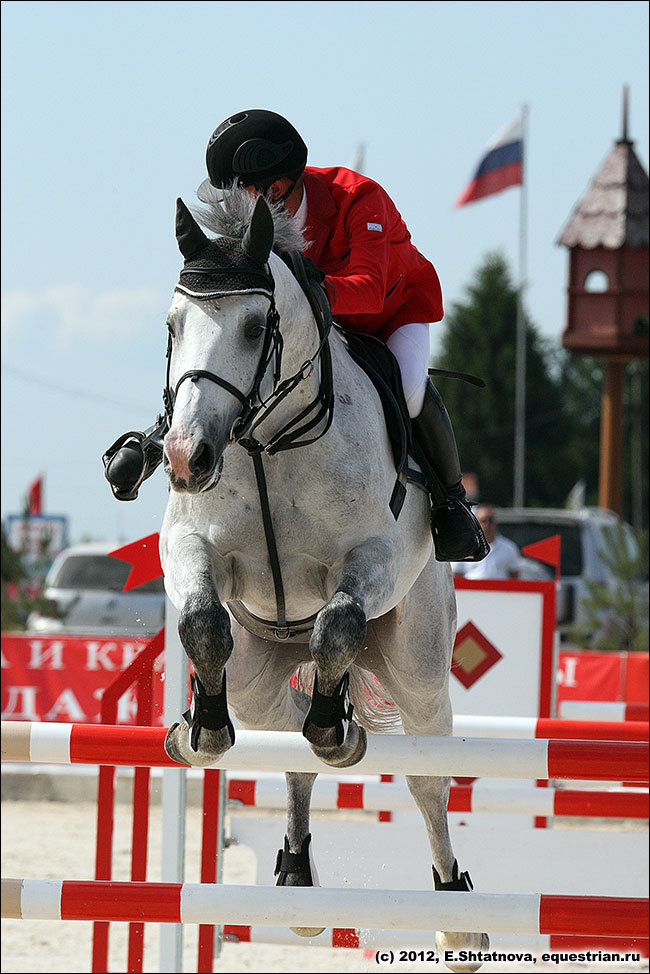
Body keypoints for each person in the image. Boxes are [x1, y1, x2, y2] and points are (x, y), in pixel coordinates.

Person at [103, 109, 488, 563]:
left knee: (409, 390)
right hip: (308, 325)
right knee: (237, 364)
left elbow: (368, 289)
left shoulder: (359, 197)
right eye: (238, 195)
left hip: (387, 314)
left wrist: (305, 295)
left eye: (256, 194)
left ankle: (451, 504)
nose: (247, 208)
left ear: (282, 183)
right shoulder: (248, 218)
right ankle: (157, 441)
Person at [452, 505, 520, 579]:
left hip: (498, 590)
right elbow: (456, 574)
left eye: (490, 520)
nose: (487, 524)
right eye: (483, 520)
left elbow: (514, 576)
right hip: (471, 590)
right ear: (476, 523)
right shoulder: (465, 547)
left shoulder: (509, 548)